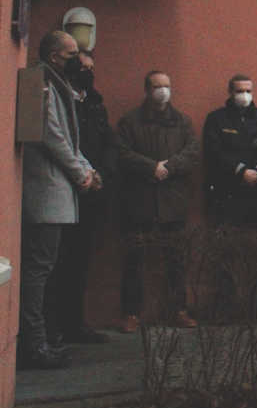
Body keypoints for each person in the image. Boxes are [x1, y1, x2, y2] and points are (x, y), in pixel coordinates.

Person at [20, 31, 97, 369]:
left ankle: (47, 340)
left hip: (57, 191)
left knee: (48, 271)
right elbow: (51, 136)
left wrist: (88, 168)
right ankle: (36, 346)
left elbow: (69, 139)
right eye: (71, 54)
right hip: (46, 192)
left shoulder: (56, 83)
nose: (78, 60)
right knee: (39, 271)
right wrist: (80, 172)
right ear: (54, 55)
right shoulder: (38, 82)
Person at [116, 69, 201, 332]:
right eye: (157, 86)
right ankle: (131, 314)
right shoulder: (130, 122)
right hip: (139, 200)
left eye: (167, 85)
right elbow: (120, 153)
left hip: (172, 201)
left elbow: (192, 152)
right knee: (134, 260)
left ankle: (179, 310)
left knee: (176, 259)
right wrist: (150, 167)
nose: (163, 91)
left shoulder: (182, 122)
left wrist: (170, 167)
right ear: (147, 90)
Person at [47, 47, 115, 347]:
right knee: (58, 261)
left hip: (93, 189)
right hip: (67, 186)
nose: (87, 71)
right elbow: (62, 142)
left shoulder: (96, 104)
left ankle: (75, 323)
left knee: (81, 261)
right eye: (82, 65)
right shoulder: (61, 98)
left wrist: (101, 174)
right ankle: (55, 326)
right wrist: (83, 174)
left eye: (91, 66)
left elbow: (108, 143)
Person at [202, 74, 257, 319]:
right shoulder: (217, 120)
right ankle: (225, 309)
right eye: (239, 90)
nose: (244, 95)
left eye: (248, 90)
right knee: (226, 251)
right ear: (230, 91)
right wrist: (239, 170)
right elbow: (213, 151)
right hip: (227, 194)